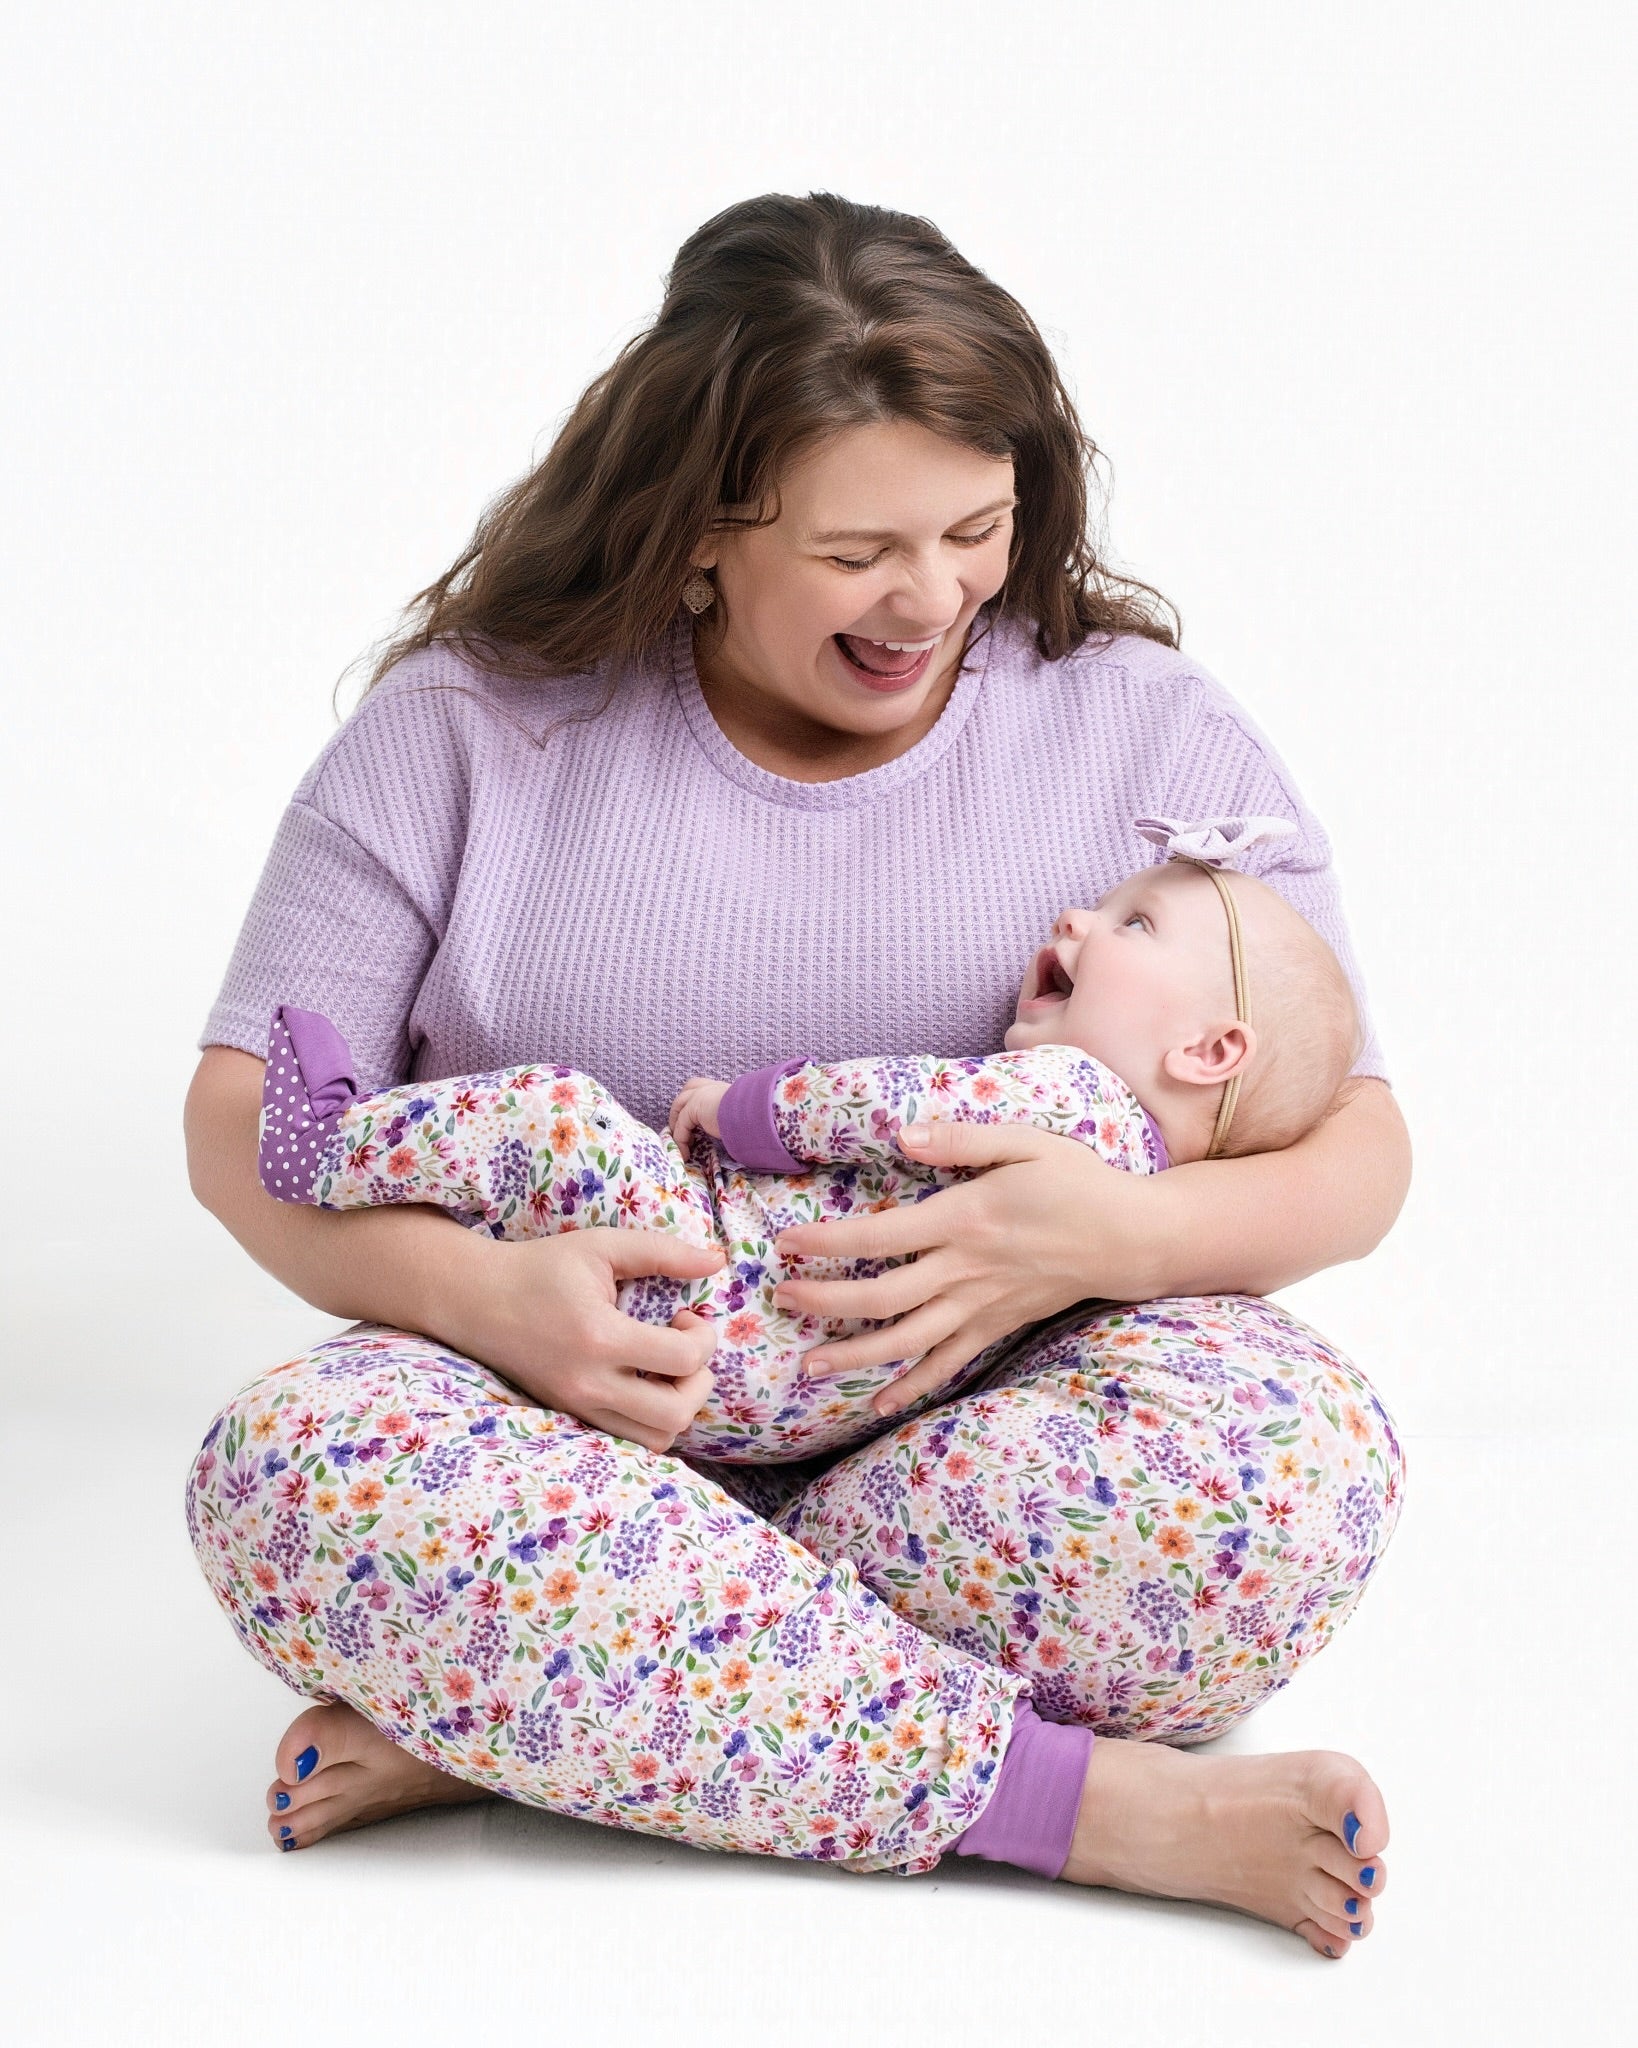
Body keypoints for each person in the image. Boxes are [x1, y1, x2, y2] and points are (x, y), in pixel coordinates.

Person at [183, 191, 1407, 1960]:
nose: (932, 598)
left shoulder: (1142, 727)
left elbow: (1358, 1143)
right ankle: (1086, 1806)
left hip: (982, 1437)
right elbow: (242, 1128)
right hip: (561, 1430)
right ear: (696, 526)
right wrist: (488, 1299)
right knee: (290, 1473)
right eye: (856, 553)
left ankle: (554, 1707)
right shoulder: (463, 732)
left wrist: (1091, 1241)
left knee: (1294, 1473)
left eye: (974, 528)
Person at [250, 819, 1360, 1466]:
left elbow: (894, 1102)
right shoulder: (1127, 1172)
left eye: (1133, 925)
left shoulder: (1070, 1099)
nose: (1073, 920)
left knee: (556, 1116)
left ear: (1212, 1050)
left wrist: (746, 1110)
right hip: (787, 1398)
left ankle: (338, 1142)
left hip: (714, 1268)